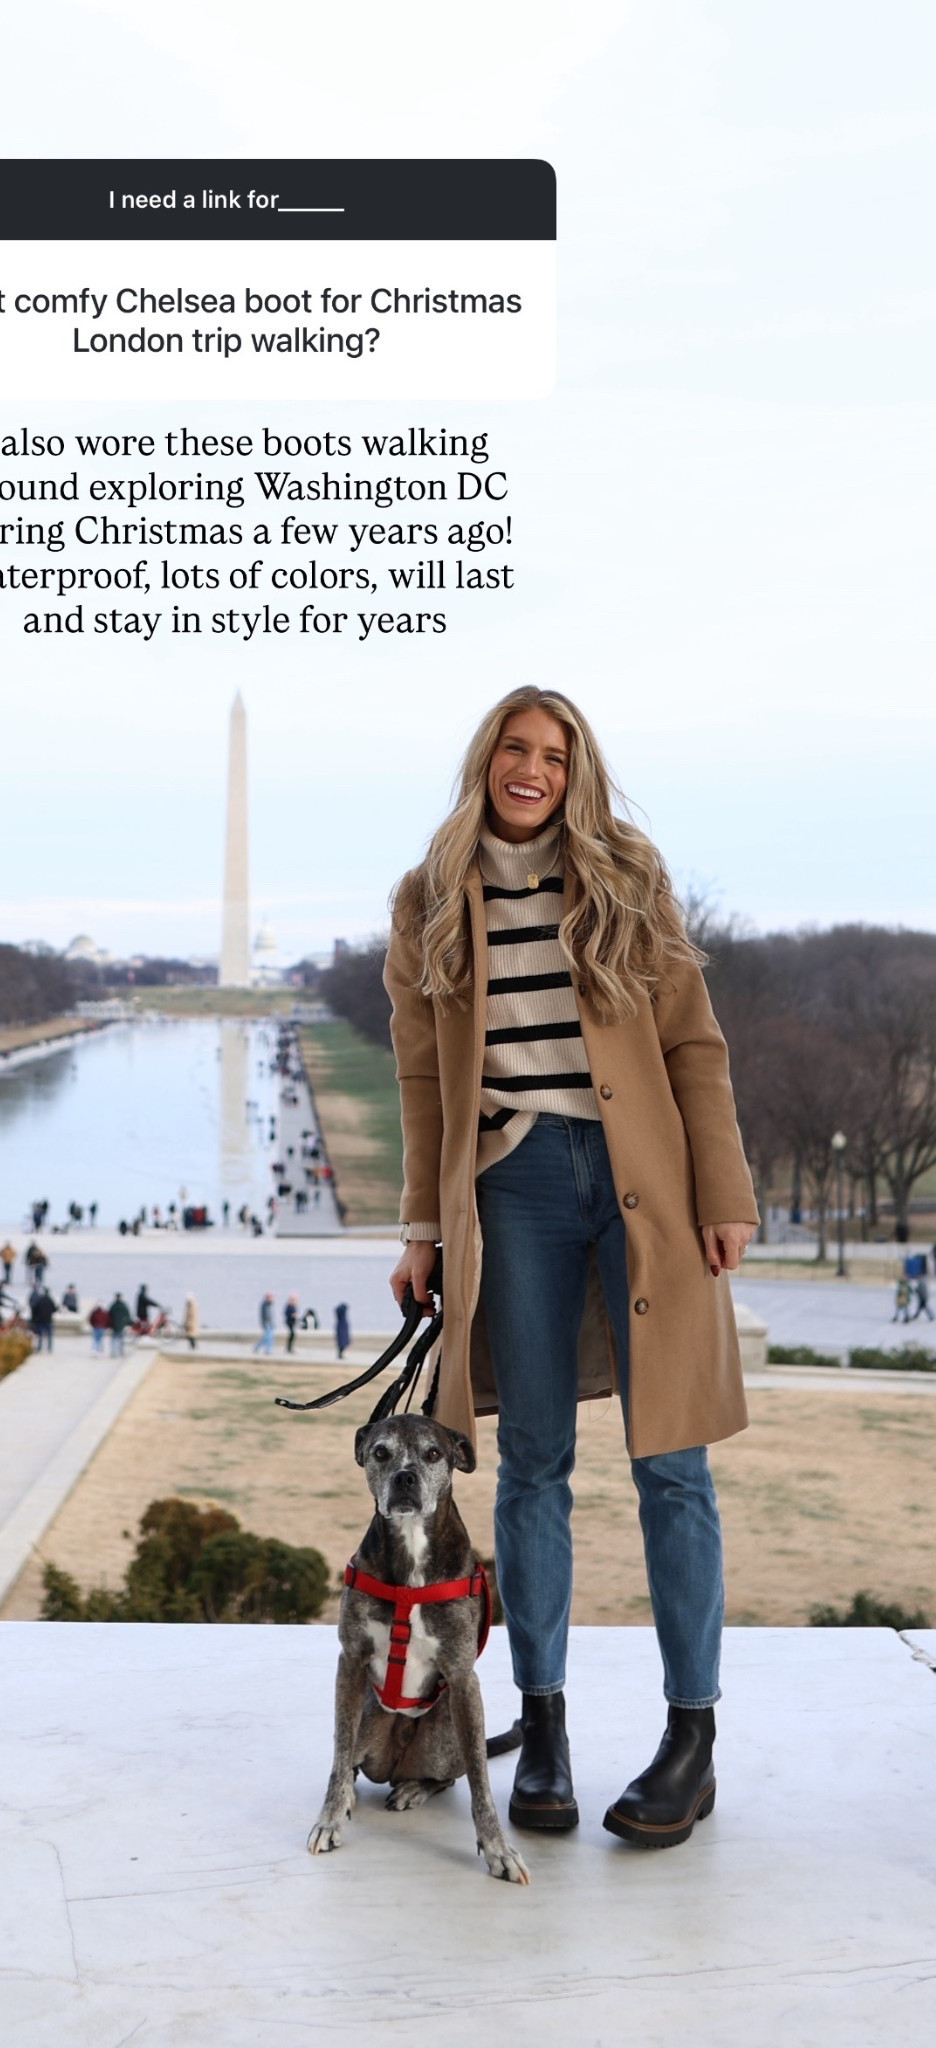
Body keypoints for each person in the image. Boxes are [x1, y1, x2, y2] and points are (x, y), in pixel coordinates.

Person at [385, 687, 758, 1849]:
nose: (532, 768)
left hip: (646, 1180)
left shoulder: (627, 875)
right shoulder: (431, 893)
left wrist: (726, 1191)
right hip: (516, 1183)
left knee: (675, 1464)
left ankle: (689, 1741)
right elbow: (421, 1081)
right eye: (516, 747)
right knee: (534, 1464)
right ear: (487, 757)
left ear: (576, 771)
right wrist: (422, 1229)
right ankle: (541, 1730)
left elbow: (694, 1041)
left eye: (554, 754)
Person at [30, 1284, 57, 1352]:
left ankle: (40, 1347)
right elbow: (54, 1309)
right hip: (48, 1320)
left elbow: (34, 1309)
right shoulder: (50, 1300)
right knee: (49, 1335)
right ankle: (49, 1348)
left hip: (40, 1320)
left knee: (40, 1335)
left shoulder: (39, 1300)